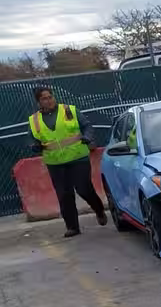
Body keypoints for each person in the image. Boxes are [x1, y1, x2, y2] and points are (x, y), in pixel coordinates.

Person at [28, 87, 107, 237]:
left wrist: (88, 137)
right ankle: (72, 227)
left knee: (83, 189)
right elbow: (32, 139)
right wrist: (34, 146)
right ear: (39, 102)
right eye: (44, 98)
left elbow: (87, 126)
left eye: (50, 97)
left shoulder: (69, 110)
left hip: (78, 157)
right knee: (64, 195)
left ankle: (99, 209)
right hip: (55, 162)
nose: (49, 100)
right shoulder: (34, 120)